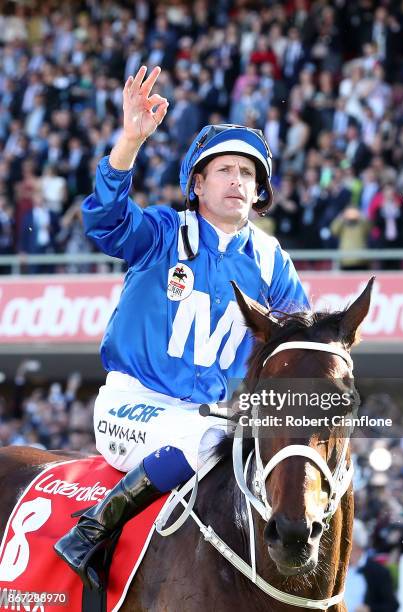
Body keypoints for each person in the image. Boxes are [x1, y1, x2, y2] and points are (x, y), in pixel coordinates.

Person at [54, 65, 309, 588]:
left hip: (207, 415)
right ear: (197, 182)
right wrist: (129, 140)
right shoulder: (163, 232)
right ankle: (92, 528)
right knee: (213, 436)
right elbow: (104, 220)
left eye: (247, 173)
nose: (237, 181)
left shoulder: (271, 261)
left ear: (259, 191)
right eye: (225, 170)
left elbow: (298, 344)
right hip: (132, 406)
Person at [344, 519, 399, 612]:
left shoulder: (378, 572)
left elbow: (392, 605)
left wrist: (369, 609)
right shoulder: (335, 569)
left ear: (356, 544)